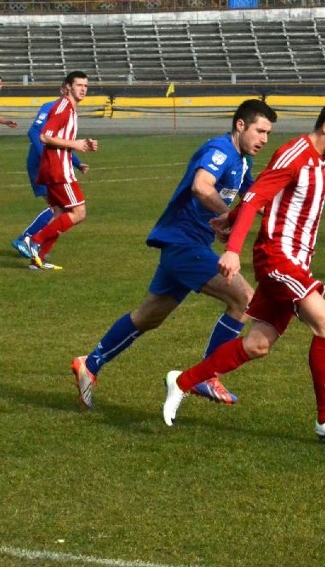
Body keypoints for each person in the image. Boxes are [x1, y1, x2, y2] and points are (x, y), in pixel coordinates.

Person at [162, 95, 325, 440]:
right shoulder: (295, 154)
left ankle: (182, 381)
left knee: (257, 344)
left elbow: (264, 195)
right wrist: (232, 250)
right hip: (278, 259)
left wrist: (230, 215)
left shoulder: (322, 160)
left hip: (297, 262)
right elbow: (257, 196)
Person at [70, 99, 277, 408]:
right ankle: (207, 375)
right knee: (244, 298)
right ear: (240, 125)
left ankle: (91, 363)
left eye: (268, 134)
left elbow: (252, 197)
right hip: (184, 244)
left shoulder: (243, 161)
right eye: (260, 131)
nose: (263, 139)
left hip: (185, 245)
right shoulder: (220, 151)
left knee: (149, 316)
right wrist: (227, 217)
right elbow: (201, 186)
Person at [21, 71, 98, 270]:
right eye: (79, 85)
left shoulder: (70, 109)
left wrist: (84, 145)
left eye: (86, 86)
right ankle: (33, 240)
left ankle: (38, 260)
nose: (83, 89)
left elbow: (60, 138)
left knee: (60, 213)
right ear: (68, 87)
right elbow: (44, 136)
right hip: (59, 169)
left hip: (56, 167)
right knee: (79, 212)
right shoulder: (63, 106)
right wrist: (75, 143)